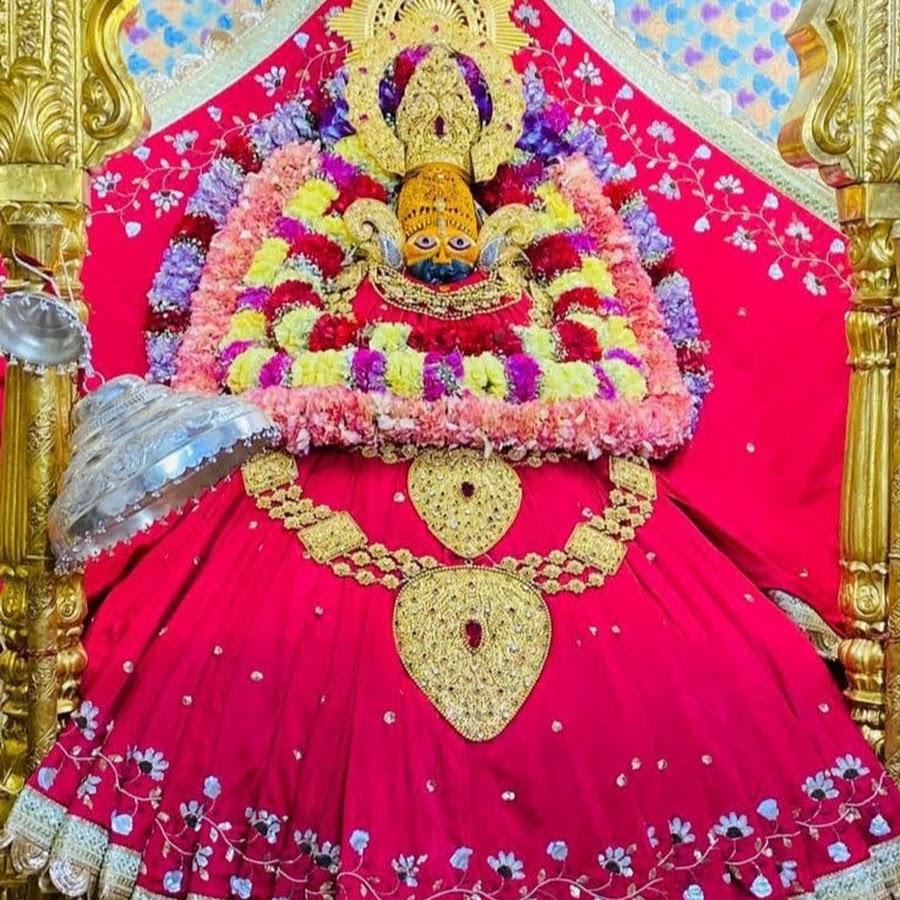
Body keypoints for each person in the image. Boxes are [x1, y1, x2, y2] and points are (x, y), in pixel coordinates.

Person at [3, 3, 899, 898]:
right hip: (335, 449)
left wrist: (521, 358)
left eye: (456, 197)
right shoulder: (330, 225)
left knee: (694, 661)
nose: (439, 208)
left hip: (551, 456)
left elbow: (613, 358)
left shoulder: (541, 232)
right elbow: (257, 348)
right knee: (260, 650)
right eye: (420, 198)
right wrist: (356, 349)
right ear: (384, 196)